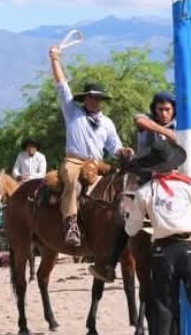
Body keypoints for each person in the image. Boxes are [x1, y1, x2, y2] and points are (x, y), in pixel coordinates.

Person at [124, 138, 191, 335]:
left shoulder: (144, 192)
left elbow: (131, 229)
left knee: (163, 309)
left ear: (152, 167)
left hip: (162, 252)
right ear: (174, 163)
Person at [48, 44, 133, 247]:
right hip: (74, 161)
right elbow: (62, 85)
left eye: (98, 98)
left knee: (120, 184)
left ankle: (120, 226)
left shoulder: (107, 123)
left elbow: (114, 147)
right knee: (73, 185)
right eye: (91, 97)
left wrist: (124, 151)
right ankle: (71, 225)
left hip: (97, 164)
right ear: (84, 99)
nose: (94, 101)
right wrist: (55, 60)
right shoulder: (72, 112)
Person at [89, 91, 178, 282]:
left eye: (168, 110)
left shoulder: (182, 127)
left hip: (173, 177)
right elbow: (139, 119)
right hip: (145, 176)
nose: (164, 113)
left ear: (174, 111)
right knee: (123, 213)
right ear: (154, 110)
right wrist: (166, 132)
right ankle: (110, 264)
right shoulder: (147, 124)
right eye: (160, 109)